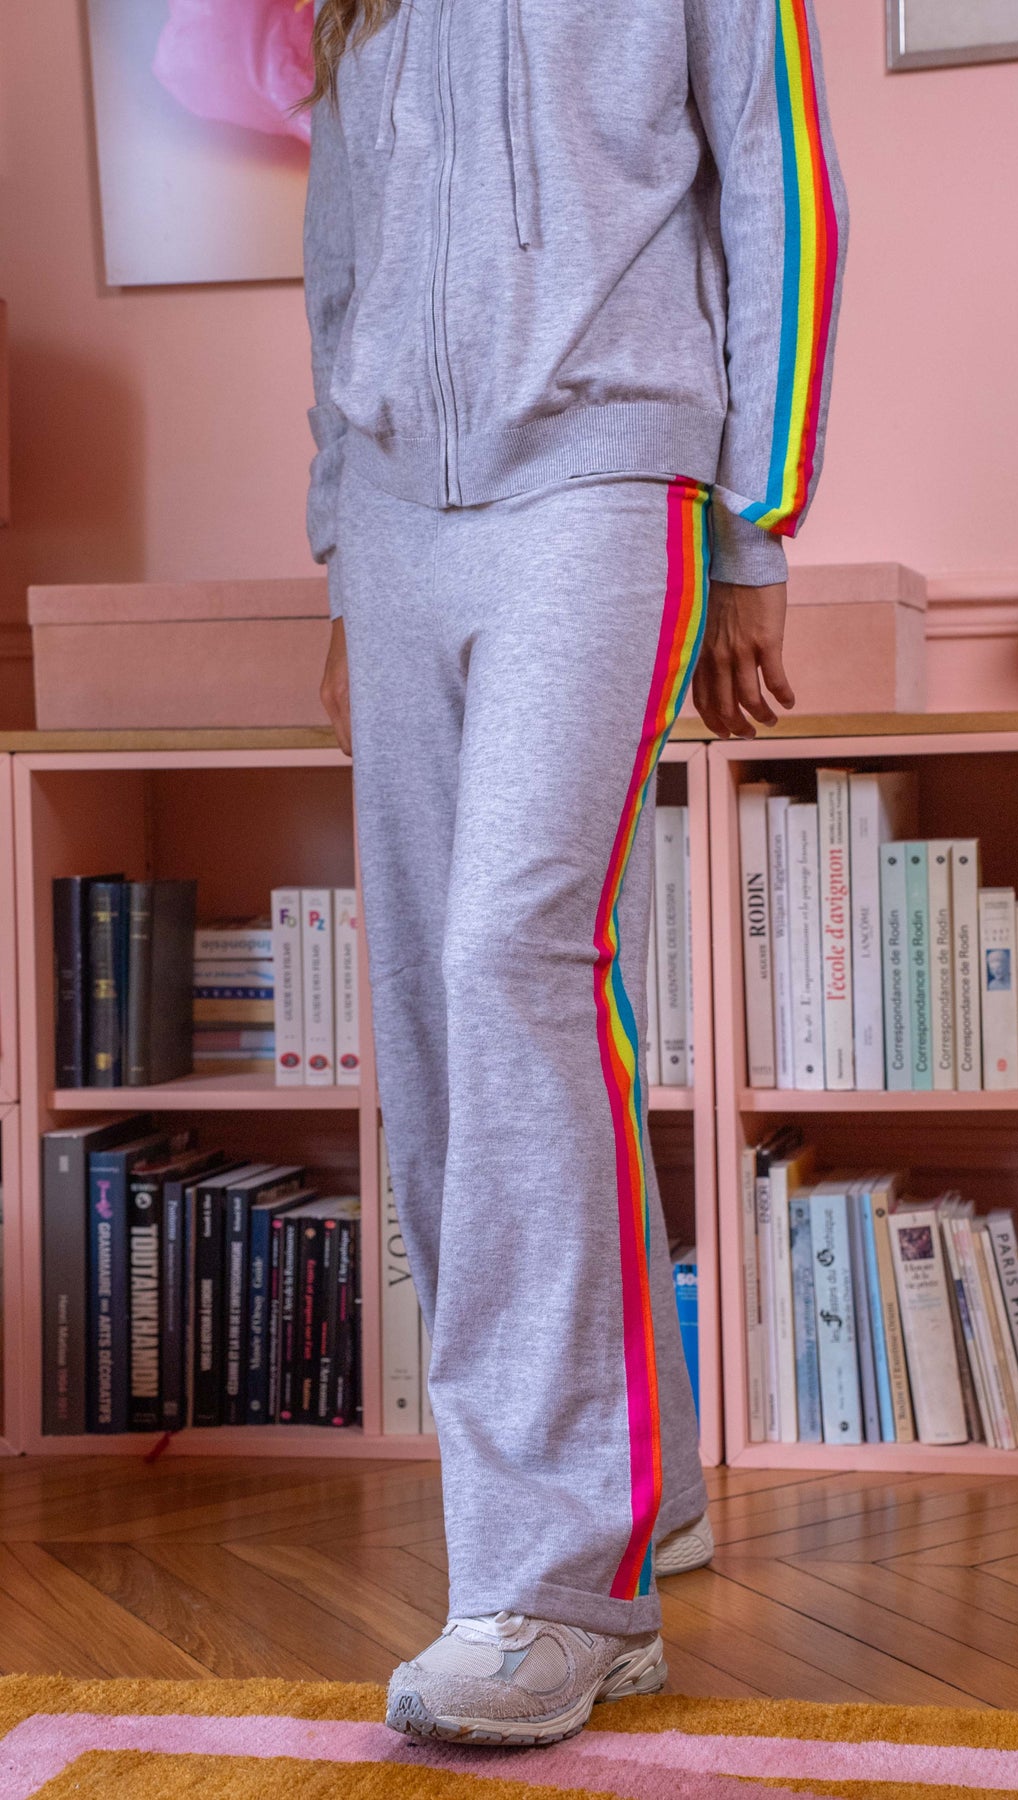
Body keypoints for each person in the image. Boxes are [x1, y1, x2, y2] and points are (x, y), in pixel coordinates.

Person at [301, 0, 847, 1747]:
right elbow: (339, 259)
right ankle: (636, 1492)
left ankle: (554, 1591)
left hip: (606, 480)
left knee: (506, 962)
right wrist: (338, 544)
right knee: (431, 1008)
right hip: (396, 523)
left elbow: (777, 189)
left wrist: (754, 527)